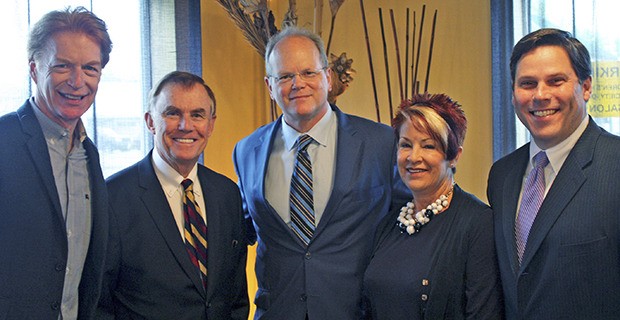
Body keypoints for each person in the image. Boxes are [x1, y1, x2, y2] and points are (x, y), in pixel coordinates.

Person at [233, 26, 409, 319]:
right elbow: (241, 231)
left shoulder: (381, 143)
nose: (297, 84)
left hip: (358, 312)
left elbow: (407, 228)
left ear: (328, 78)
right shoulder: (247, 150)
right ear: (269, 86)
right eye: (285, 76)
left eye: (308, 73)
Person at [487, 28, 620, 320]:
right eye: (527, 84)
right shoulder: (501, 175)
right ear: (512, 94)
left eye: (556, 81)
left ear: (586, 87)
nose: (540, 95)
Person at [96, 71, 249, 319]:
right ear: (150, 122)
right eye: (172, 113)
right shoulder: (113, 198)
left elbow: (235, 297)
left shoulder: (227, 194)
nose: (185, 126)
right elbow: (99, 303)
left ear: (210, 125)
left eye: (197, 115)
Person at [0, 7, 112, 320]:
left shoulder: (90, 154)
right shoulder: (3, 141)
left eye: (90, 69)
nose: (78, 82)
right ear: (34, 69)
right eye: (63, 66)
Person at [362, 93, 504, 319]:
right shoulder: (388, 225)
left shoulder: (478, 224)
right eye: (405, 145)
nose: (414, 157)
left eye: (428, 146)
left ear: (454, 156)